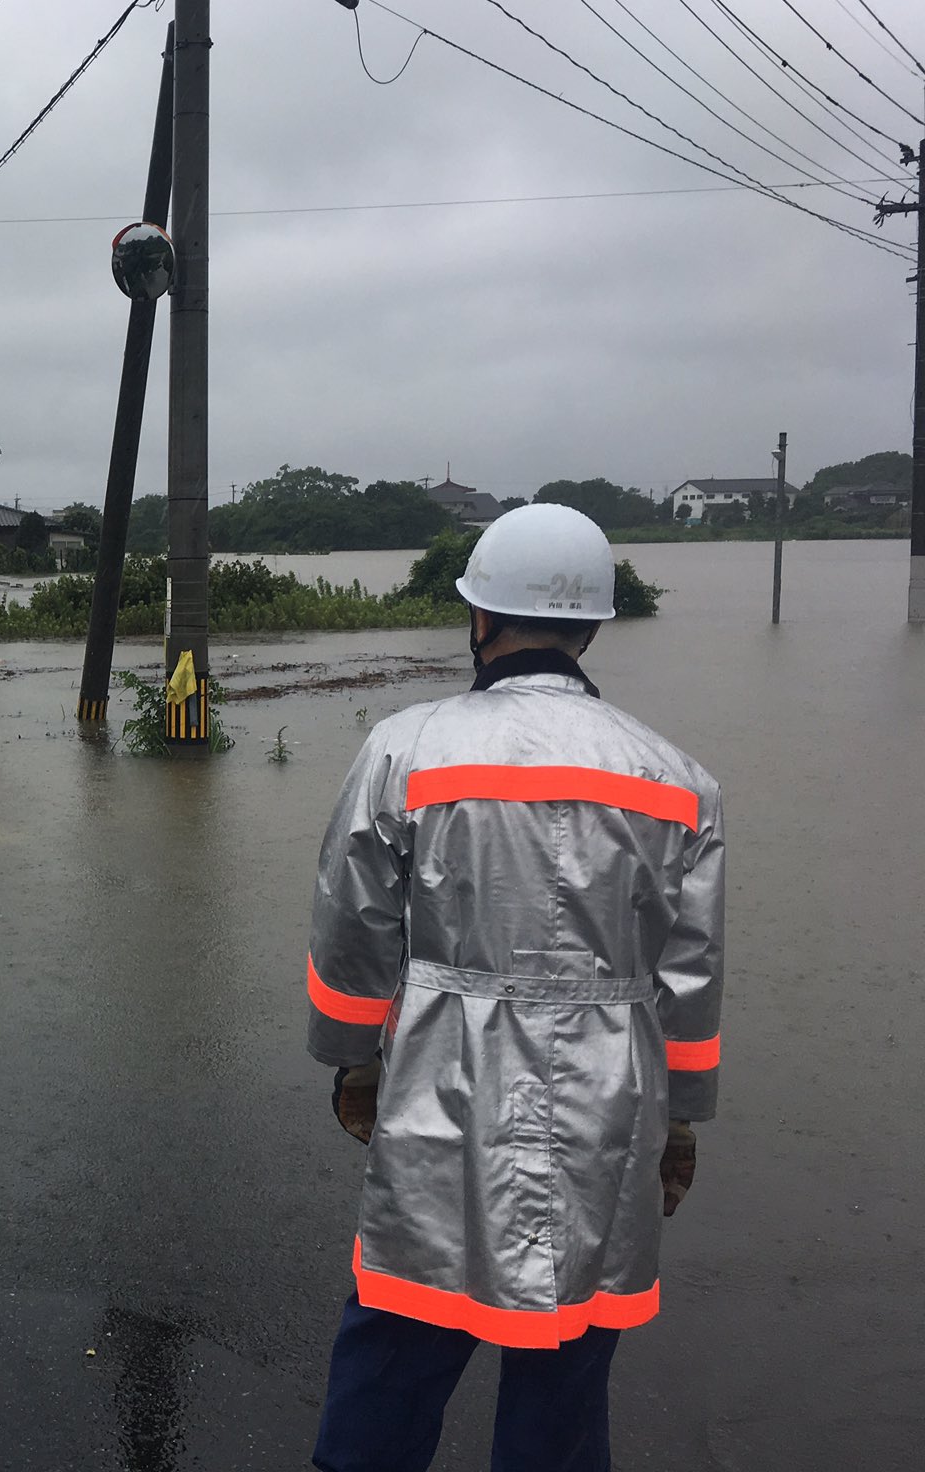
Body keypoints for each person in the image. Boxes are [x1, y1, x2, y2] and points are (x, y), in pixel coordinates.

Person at [305, 504, 723, 1472]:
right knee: (565, 1367)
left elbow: (349, 934)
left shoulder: (403, 751)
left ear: (477, 618)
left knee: (398, 1335)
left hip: (440, 1084)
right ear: (588, 626)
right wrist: (680, 1120)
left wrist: (351, 1066)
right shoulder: (675, 780)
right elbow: (688, 981)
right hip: (608, 1105)